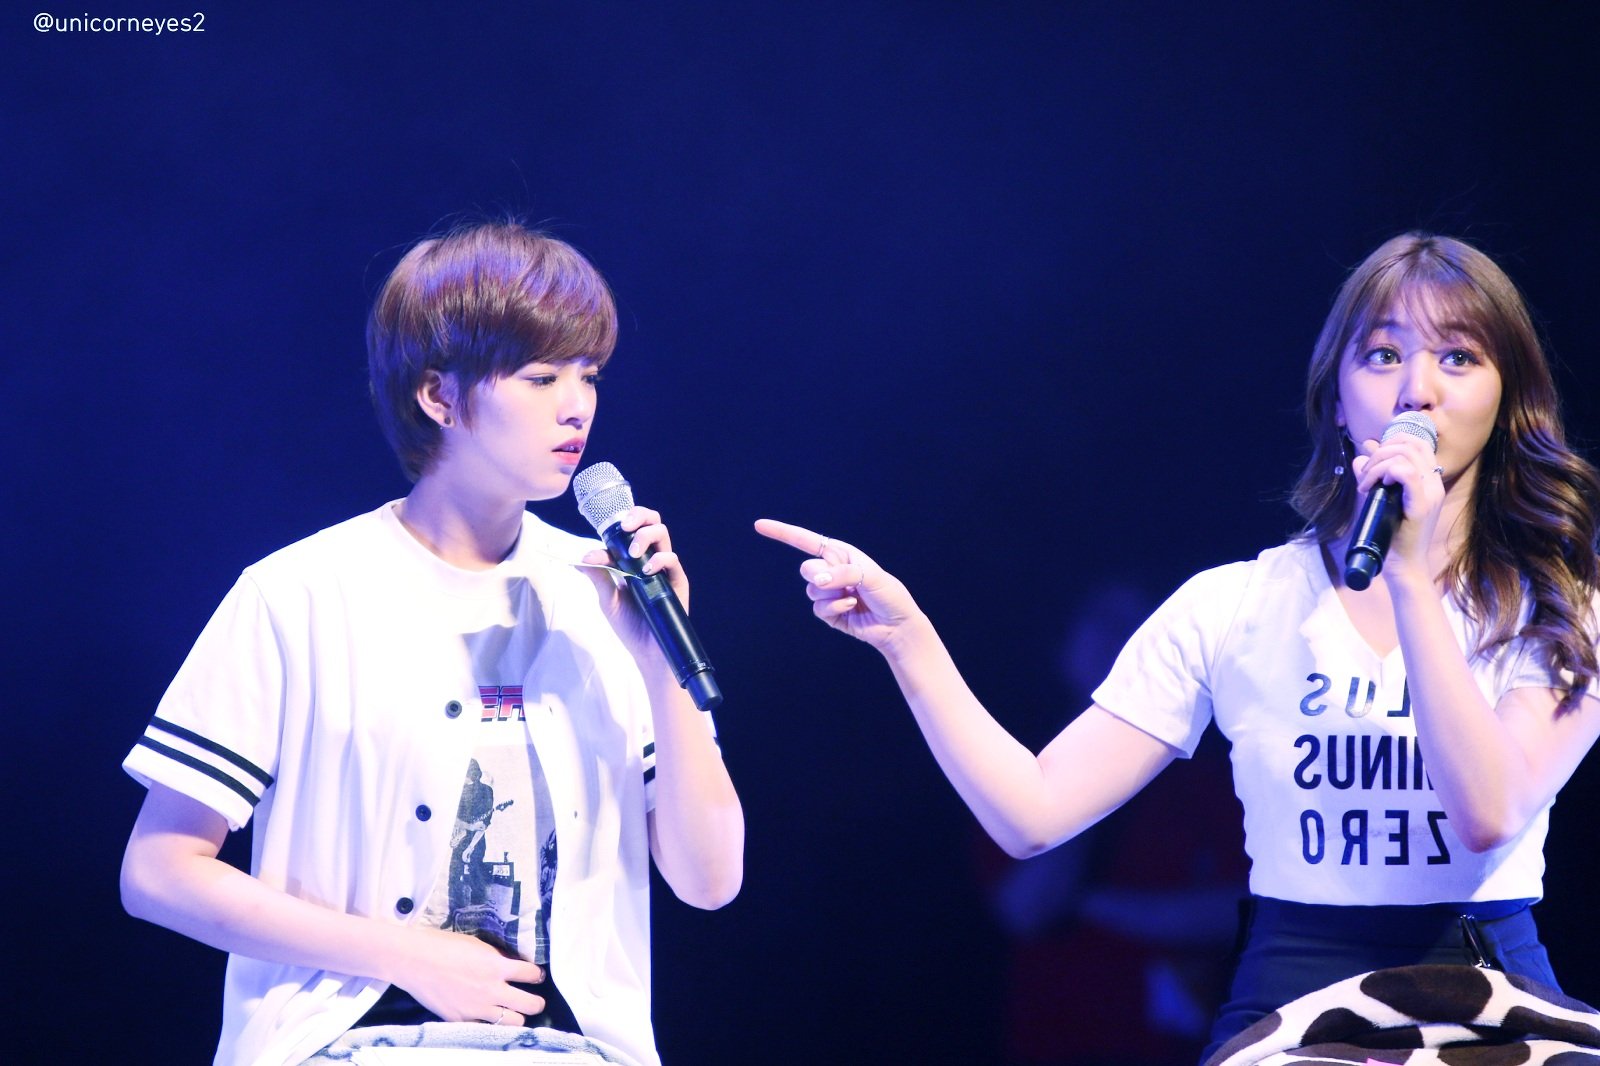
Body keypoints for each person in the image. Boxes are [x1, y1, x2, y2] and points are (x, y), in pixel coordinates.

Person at [757, 232, 1600, 1060]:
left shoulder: (1561, 605)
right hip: (1299, 1000)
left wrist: (1409, 578)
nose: (1418, 389)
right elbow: (1031, 814)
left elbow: (1488, 815)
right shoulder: (1234, 606)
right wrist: (909, 642)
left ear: (1505, 398)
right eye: (1383, 355)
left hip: (1490, 990)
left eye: (1459, 357)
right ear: (1339, 401)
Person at [121, 220, 743, 1066]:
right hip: (347, 1044)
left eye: (589, 375)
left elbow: (710, 883)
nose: (577, 406)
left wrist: (660, 666)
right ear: (439, 397)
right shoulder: (300, 593)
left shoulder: (605, 594)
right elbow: (159, 870)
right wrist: (404, 954)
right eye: (541, 377)